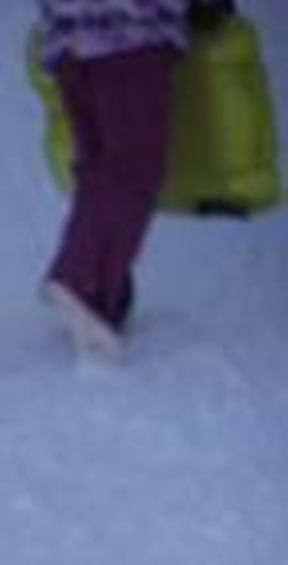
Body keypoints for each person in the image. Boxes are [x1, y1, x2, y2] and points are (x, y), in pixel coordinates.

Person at [35, 0, 205, 353]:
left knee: (99, 166)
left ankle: (97, 291)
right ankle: (84, 280)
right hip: (129, 34)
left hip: (70, 40)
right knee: (133, 167)